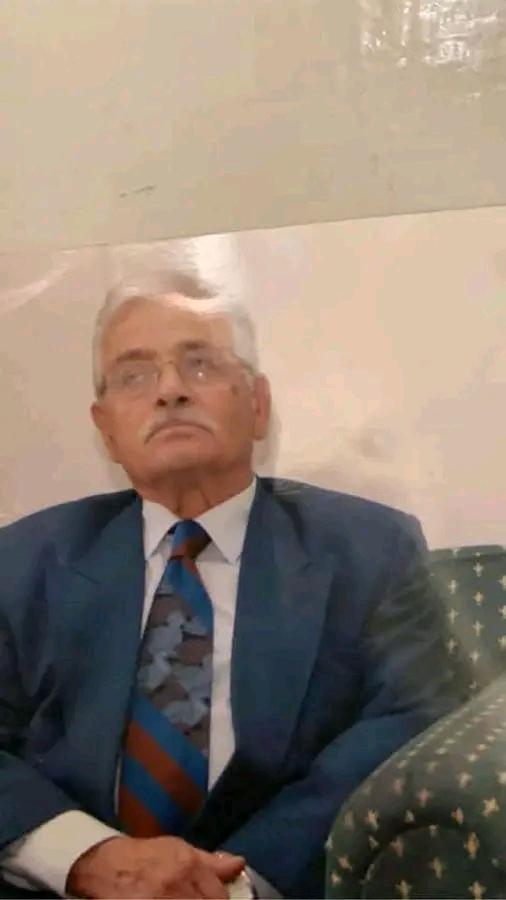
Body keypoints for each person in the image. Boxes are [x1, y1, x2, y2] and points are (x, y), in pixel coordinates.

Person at [0, 269, 462, 899]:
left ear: (258, 405)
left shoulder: (371, 549)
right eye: (134, 375)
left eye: (201, 364)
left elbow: (407, 724)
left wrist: (230, 886)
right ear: (105, 429)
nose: (169, 390)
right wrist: (86, 858)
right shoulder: (23, 561)